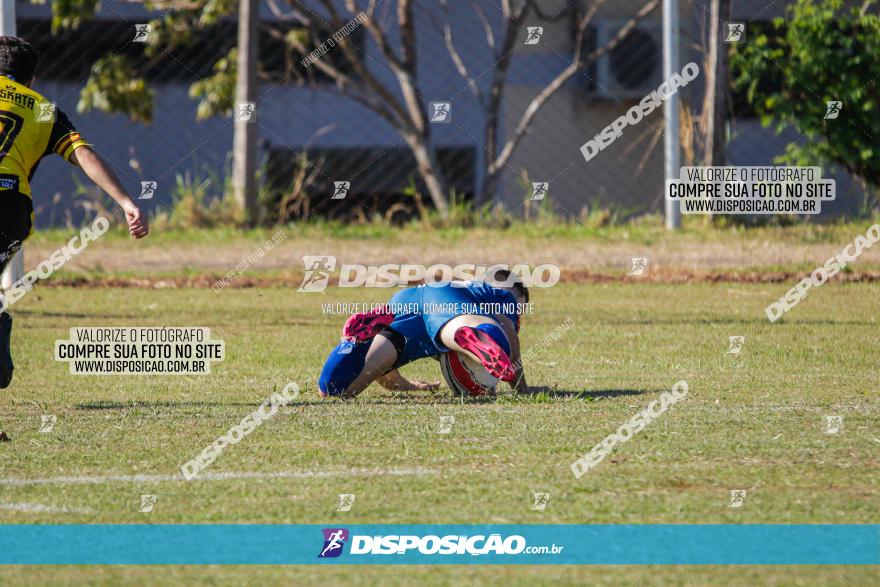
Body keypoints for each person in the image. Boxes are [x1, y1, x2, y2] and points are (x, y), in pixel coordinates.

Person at [0, 36, 149, 389]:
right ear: (31, 80)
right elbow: (84, 154)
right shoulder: (42, 109)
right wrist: (126, 202)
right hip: (10, 209)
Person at [318, 271, 531, 398]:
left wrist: (407, 386)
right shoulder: (501, 294)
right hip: (445, 300)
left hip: (406, 301)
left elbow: (386, 375)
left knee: (340, 390)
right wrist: (521, 388)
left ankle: (355, 344)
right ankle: (464, 334)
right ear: (517, 293)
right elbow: (510, 333)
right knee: (473, 329)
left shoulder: (464, 286)